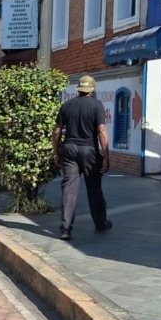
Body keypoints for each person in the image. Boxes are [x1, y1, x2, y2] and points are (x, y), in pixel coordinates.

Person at [52, 75, 112, 241]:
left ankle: (65, 229)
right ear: (92, 89)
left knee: (69, 189)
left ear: (78, 89)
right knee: (94, 187)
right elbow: (102, 131)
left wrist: (56, 153)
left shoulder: (67, 105)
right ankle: (100, 223)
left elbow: (57, 132)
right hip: (89, 151)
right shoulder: (97, 105)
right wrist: (106, 156)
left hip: (69, 150)